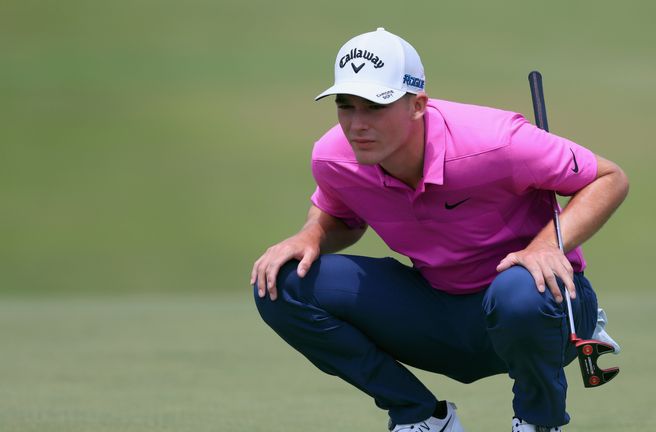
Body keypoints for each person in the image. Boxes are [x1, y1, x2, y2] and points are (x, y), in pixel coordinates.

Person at [251, 27, 629, 432]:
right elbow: (338, 215)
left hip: (539, 306)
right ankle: (420, 416)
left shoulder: (499, 141)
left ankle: (538, 421)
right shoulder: (334, 157)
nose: (357, 125)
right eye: (346, 106)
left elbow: (609, 178)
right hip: (440, 312)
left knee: (521, 292)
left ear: (418, 105)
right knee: (282, 281)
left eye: (375, 107)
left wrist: (546, 244)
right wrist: (311, 235)